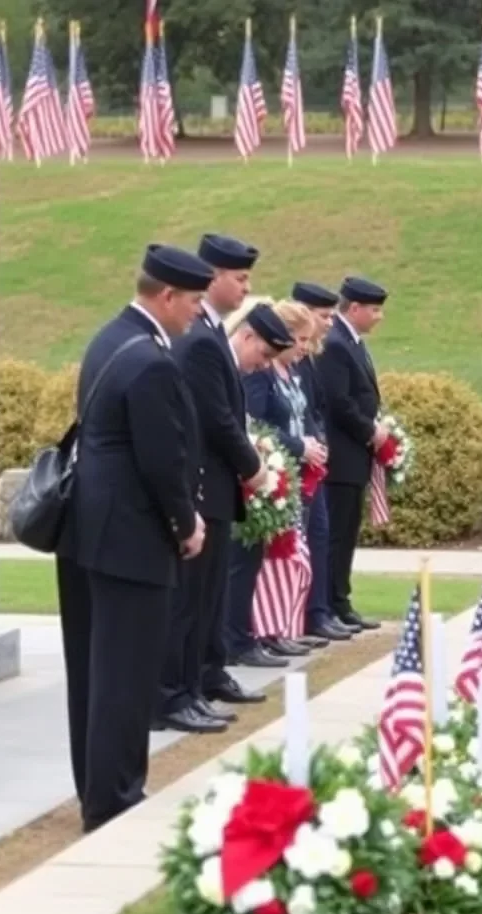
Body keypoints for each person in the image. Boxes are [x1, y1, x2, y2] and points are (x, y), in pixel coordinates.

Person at [56, 244, 211, 833]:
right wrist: (186, 523)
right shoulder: (151, 360)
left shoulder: (108, 338)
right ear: (166, 296)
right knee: (125, 674)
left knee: (94, 671)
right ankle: (114, 797)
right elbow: (161, 460)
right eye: (194, 301)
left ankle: (95, 785)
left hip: (91, 534)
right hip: (130, 541)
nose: (197, 313)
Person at [154, 234, 269, 734]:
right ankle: (175, 693)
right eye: (239, 278)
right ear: (212, 275)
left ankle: (201, 677)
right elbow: (216, 417)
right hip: (205, 484)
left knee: (207, 597)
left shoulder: (211, 331)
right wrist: (253, 466)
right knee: (189, 600)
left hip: (217, 487)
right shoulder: (199, 338)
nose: (246, 287)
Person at [241, 297, 328, 654]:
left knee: (294, 549)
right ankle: (260, 630)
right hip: (275, 469)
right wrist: (297, 445)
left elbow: (306, 413)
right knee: (269, 555)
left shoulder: (292, 373)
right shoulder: (261, 374)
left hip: (297, 475)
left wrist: (315, 442)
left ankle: (283, 625)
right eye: (301, 340)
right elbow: (258, 425)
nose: (306, 348)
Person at [221, 303, 298, 666]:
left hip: (244, 473)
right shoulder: (224, 366)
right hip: (230, 481)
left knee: (243, 563)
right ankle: (233, 641)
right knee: (236, 566)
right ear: (247, 335)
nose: (264, 365)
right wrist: (256, 468)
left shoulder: (235, 369)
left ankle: (236, 639)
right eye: (264, 354)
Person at [319, 276, 389, 633]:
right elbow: (339, 402)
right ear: (355, 308)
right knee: (337, 534)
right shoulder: (335, 344)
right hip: (341, 458)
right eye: (374, 310)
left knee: (347, 532)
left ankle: (340, 599)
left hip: (355, 458)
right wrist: (370, 431)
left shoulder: (352, 343)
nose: (379, 317)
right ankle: (332, 602)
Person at [291, 281, 355, 643]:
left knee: (319, 536)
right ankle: (305, 615)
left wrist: (319, 440)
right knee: (303, 540)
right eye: (323, 315)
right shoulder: (294, 358)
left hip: (313, 462)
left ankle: (319, 611)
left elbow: (316, 408)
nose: (329, 323)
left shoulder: (311, 357)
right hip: (296, 463)